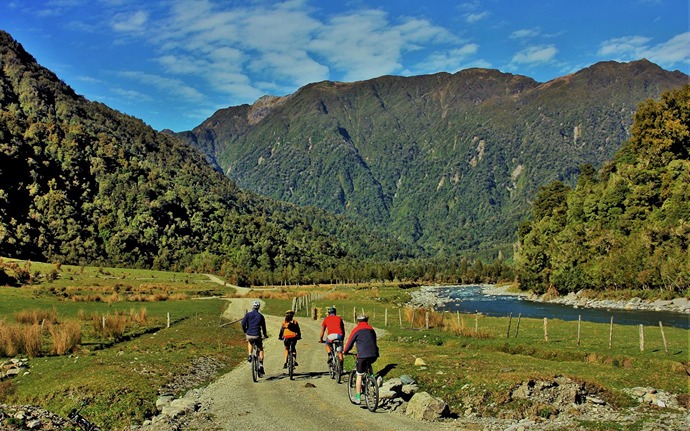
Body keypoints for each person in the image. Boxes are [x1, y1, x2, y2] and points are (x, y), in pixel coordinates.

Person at [343, 314, 379, 405]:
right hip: (373, 354)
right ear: (367, 320)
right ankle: (372, 378)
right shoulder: (371, 329)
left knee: (359, 375)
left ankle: (358, 397)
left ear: (357, 321)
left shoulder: (356, 330)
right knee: (369, 364)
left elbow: (350, 342)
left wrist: (345, 351)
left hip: (362, 355)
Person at [241, 300, 268, 375]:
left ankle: (249, 355)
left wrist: (245, 331)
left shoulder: (248, 314)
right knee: (261, 349)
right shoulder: (261, 316)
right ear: (258, 307)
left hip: (249, 334)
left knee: (250, 341)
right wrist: (265, 335)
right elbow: (263, 327)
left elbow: (243, 323)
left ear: (252, 306)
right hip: (257, 334)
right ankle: (261, 365)